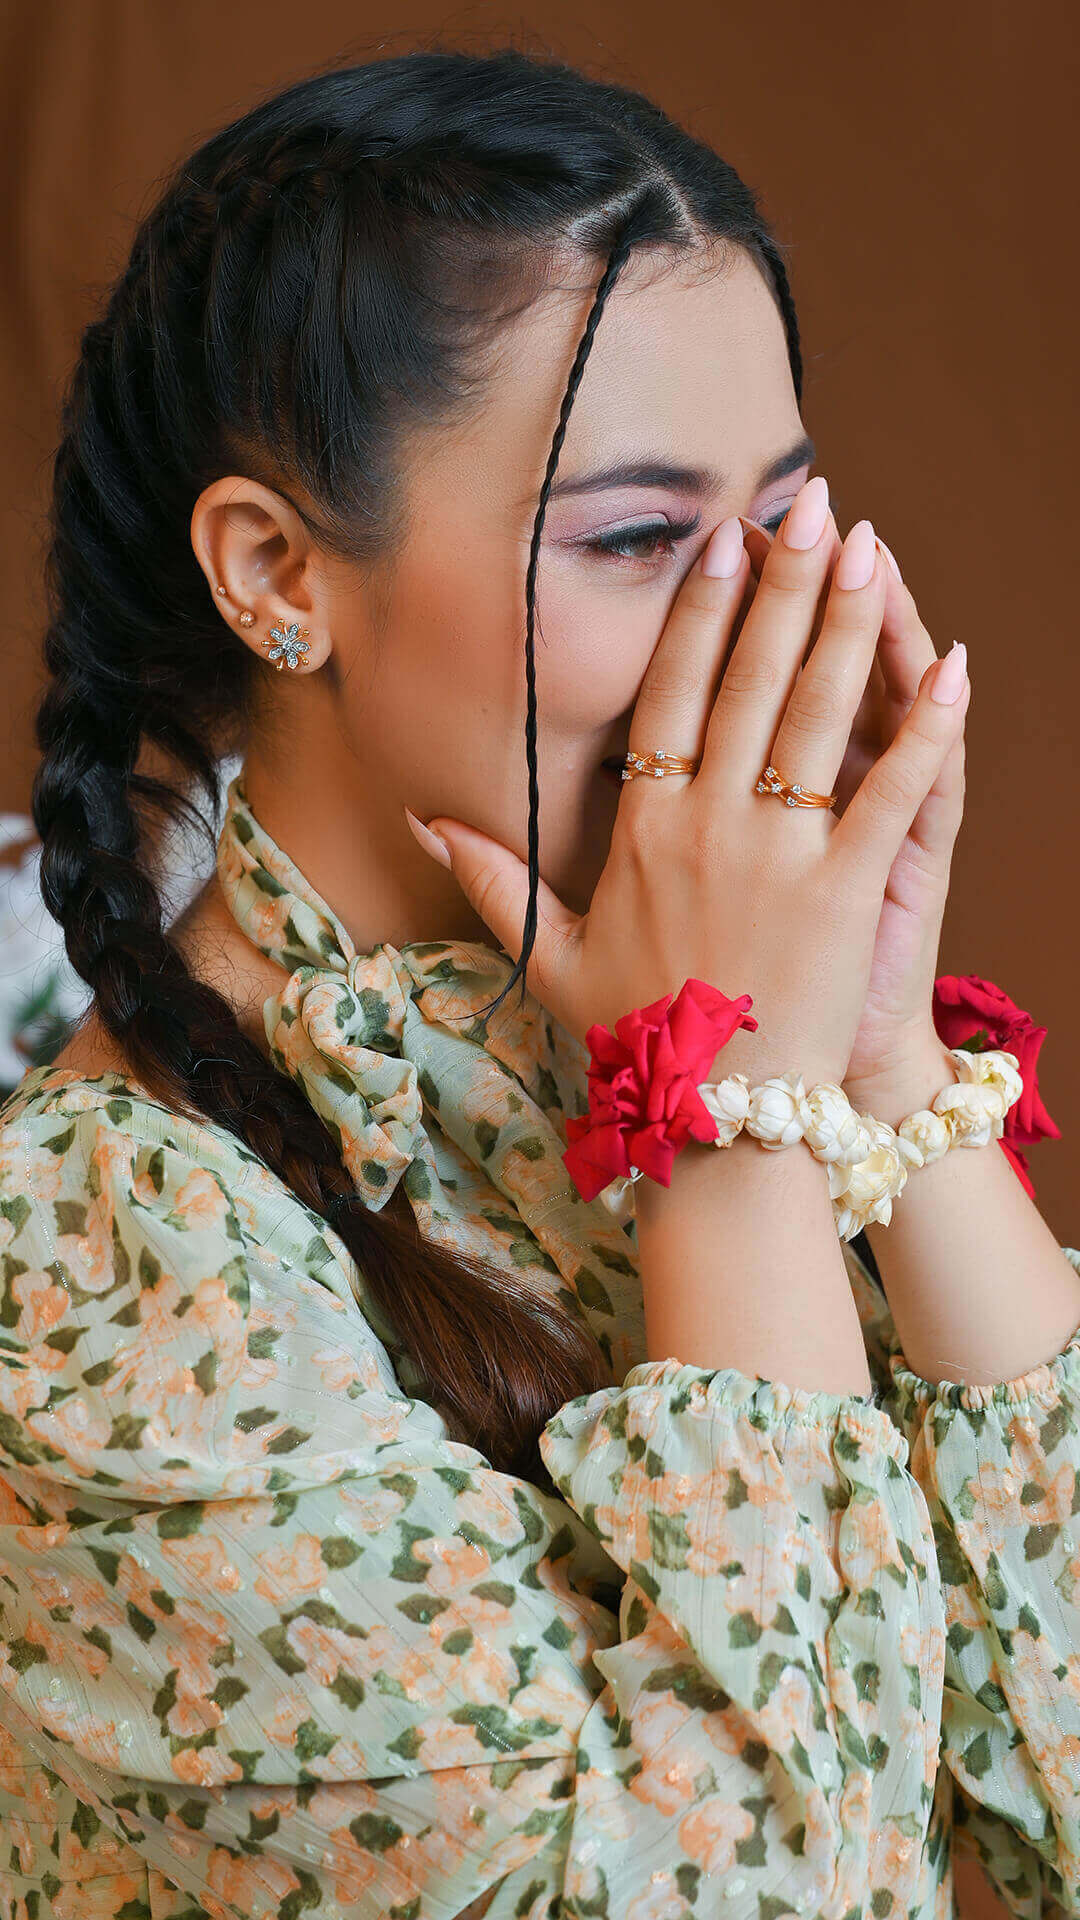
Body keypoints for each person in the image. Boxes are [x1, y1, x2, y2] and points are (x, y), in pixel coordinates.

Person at [1, 44, 1077, 1920]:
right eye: (643, 539)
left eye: (786, 525)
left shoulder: (678, 1020)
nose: (759, 625)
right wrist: (729, 1124)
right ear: (278, 574)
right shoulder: (101, 1252)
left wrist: (883, 1036)